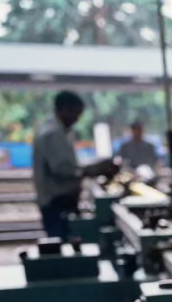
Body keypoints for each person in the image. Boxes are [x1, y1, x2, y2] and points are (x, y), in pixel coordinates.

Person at [31, 90, 117, 240]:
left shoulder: (59, 131)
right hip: (56, 204)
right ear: (64, 109)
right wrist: (95, 169)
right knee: (62, 245)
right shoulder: (53, 134)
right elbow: (62, 170)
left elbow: (68, 165)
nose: (77, 119)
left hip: (60, 202)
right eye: (76, 113)